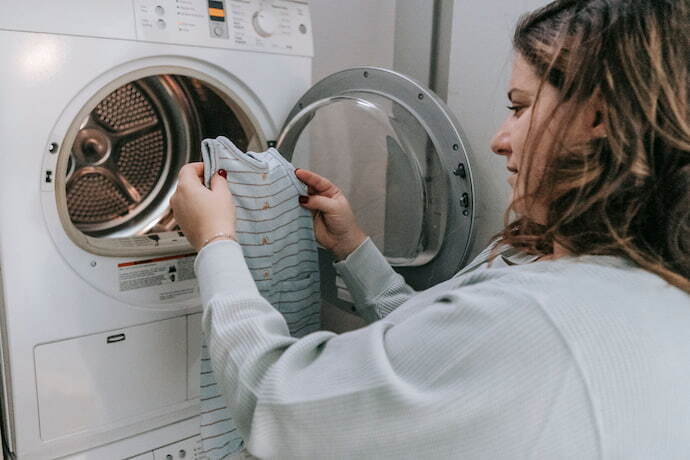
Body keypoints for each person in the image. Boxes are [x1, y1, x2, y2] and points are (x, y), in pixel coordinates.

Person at [170, 0, 690, 457]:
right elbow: (436, 350)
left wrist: (217, 242)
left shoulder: (537, 316)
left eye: (520, 107)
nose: (499, 140)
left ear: (598, 113)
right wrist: (353, 248)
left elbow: (275, 401)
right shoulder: (631, 279)